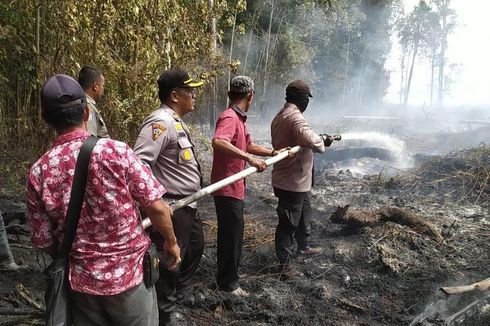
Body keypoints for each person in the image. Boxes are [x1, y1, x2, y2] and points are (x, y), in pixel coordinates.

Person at [26, 74, 180, 326]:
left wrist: (77, 254)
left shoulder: (39, 171)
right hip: (130, 281)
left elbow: (43, 239)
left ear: (46, 120)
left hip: (82, 288)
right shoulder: (116, 151)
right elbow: (157, 207)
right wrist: (171, 243)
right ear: (87, 112)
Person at [134, 69, 205, 325]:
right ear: (175, 95)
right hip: (172, 207)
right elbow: (139, 164)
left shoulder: (175, 120)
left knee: (195, 248)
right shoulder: (160, 122)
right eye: (190, 90)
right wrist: (156, 202)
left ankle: (171, 296)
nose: (195, 95)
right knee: (170, 263)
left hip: (188, 205)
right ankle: (161, 313)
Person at [211, 76, 286, 297]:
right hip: (227, 187)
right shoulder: (229, 117)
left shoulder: (239, 119)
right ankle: (229, 284)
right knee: (231, 235)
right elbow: (218, 141)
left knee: (232, 234)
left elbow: (249, 145)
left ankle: (227, 276)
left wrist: (273, 153)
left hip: (234, 187)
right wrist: (250, 159)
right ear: (251, 95)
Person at [270, 79, 333, 280]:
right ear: (301, 99)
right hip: (292, 181)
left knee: (304, 211)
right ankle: (284, 266)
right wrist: (322, 140)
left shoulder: (280, 115)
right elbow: (309, 138)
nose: (307, 102)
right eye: (306, 98)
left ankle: (303, 246)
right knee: (288, 223)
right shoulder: (294, 117)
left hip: (296, 180)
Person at [78, 66, 110, 138]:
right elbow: (90, 140)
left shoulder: (78, 103)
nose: (103, 89)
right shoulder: (88, 107)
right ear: (95, 86)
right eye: (102, 86)